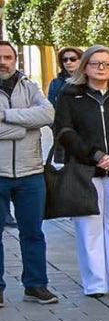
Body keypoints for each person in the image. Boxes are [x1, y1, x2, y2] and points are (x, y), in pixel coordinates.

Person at [54, 46, 109, 298]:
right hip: (85, 170)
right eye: (95, 63)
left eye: (106, 64)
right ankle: (95, 283)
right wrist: (94, 156)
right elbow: (64, 129)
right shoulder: (70, 94)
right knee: (89, 227)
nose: (101, 68)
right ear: (85, 66)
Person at [0, 40, 58, 306]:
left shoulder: (29, 85)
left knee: (33, 233)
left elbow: (47, 114)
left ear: (15, 59)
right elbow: (32, 121)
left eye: (8, 57)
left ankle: (35, 285)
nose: (4, 62)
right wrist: (23, 127)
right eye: (0, 57)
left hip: (31, 173)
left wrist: (6, 116)